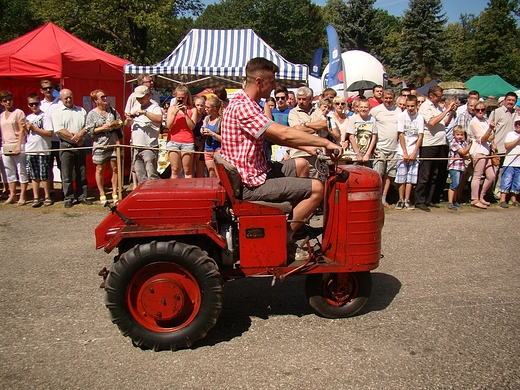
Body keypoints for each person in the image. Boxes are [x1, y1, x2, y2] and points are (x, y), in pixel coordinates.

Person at [219, 57, 340, 244]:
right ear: (259, 82)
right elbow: (282, 133)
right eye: (272, 81)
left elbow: (271, 136)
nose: (275, 87)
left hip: (256, 172)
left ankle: (297, 223)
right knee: (318, 188)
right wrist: (326, 143)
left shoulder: (245, 103)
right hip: (250, 184)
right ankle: (285, 237)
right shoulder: (244, 107)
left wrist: (310, 148)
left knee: (301, 164)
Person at [415, 86, 455, 212]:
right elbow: (432, 122)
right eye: (438, 96)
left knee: (434, 173)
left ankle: (429, 199)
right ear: (431, 95)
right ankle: (419, 200)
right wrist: (446, 110)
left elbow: (445, 123)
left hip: (440, 143)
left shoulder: (438, 107)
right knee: (425, 174)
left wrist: (451, 112)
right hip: (429, 144)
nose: (440, 98)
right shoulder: (425, 106)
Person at [52, 89, 91, 208]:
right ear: (61, 99)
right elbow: (59, 130)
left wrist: (80, 136)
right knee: (66, 173)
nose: (68, 100)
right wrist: (75, 137)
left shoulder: (81, 110)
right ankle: (68, 197)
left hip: (80, 144)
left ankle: (82, 196)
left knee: (82, 172)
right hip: (66, 145)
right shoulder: (57, 112)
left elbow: (86, 126)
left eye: (70, 97)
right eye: (65, 98)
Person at [85, 89, 123, 205]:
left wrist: (115, 125)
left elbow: (120, 122)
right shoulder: (91, 114)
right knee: (100, 169)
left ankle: (114, 192)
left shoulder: (112, 111)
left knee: (114, 168)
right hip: (100, 144)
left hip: (113, 142)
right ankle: (102, 193)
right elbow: (89, 131)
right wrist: (102, 128)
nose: (105, 98)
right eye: (102, 97)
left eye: (105, 96)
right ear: (96, 100)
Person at [125, 74, 160, 188]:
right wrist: (128, 119)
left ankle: (153, 195)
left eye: (141, 97)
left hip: (149, 146)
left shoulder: (154, 106)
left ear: (148, 95)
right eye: (138, 98)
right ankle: (142, 194)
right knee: (140, 174)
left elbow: (159, 119)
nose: (139, 100)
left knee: (151, 175)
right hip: (136, 146)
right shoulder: (135, 106)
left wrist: (144, 112)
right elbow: (126, 124)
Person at [288, 86, 330, 178]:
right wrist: (316, 127)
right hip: (300, 153)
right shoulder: (293, 112)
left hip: (317, 154)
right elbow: (297, 130)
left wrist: (306, 124)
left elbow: (323, 124)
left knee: (317, 184)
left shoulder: (317, 111)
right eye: (299, 99)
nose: (301, 101)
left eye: (304, 99)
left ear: (310, 99)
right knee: (302, 185)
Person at [370, 88, 400, 208]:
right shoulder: (376, 111)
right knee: (378, 174)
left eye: (390, 98)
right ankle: (375, 199)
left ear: (394, 98)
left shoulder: (399, 110)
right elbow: (370, 128)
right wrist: (372, 147)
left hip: (394, 148)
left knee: (389, 175)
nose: (388, 100)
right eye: (386, 98)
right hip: (380, 147)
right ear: (382, 98)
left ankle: (383, 199)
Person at [24, 94, 53, 207]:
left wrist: (34, 128)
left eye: (36, 103)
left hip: (43, 149)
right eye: (31, 104)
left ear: (39, 104)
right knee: (34, 174)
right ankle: (36, 197)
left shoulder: (45, 116)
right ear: (28, 105)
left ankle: (47, 196)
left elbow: (49, 133)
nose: (34, 106)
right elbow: (27, 134)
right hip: (31, 149)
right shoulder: (28, 117)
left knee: (44, 175)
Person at [0, 90, 29, 205]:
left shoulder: (19, 112)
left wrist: (18, 145)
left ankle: (23, 195)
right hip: (6, 145)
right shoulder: (1, 115)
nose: (8, 102)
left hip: (18, 144)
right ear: (2, 103)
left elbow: (22, 130)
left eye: (9, 100)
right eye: (5, 101)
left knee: (21, 170)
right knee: (9, 171)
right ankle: (12, 194)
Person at [166, 84, 201, 178]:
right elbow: (168, 125)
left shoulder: (193, 109)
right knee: (175, 169)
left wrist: (186, 114)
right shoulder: (171, 109)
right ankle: (175, 191)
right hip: (173, 141)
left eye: (183, 98)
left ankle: (188, 191)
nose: (181, 100)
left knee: (187, 170)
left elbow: (192, 127)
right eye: (179, 98)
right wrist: (174, 113)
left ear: (187, 97)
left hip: (187, 142)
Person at [395, 95, 424, 210]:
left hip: (414, 151)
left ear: (416, 105)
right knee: (401, 176)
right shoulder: (402, 116)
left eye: (412, 106)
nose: (410, 108)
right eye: (408, 106)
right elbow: (401, 134)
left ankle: (407, 199)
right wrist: (405, 152)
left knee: (411, 178)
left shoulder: (420, 118)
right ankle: (400, 199)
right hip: (403, 150)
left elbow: (420, 136)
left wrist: (414, 152)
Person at [468, 101, 496, 209]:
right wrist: (489, 130)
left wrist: (489, 134)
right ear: (474, 111)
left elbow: (492, 137)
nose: (480, 112)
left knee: (491, 176)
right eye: (478, 110)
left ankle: (481, 196)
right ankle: (474, 199)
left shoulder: (485, 120)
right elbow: (484, 139)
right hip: (478, 151)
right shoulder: (474, 122)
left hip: (486, 150)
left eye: (482, 109)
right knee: (478, 175)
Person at [489, 91, 517, 197]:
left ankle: (499, 192)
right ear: (504, 100)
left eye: (513, 100)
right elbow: (490, 129)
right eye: (509, 100)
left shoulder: (515, 114)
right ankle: (489, 192)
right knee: (494, 171)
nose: (510, 102)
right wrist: (492, 143)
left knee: (504, 172)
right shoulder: (497, 112)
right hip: (498, 146)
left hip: (510, 149)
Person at [39, 79, 61, 200]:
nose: (48, 90)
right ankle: (51, 190)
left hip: (59, 140)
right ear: (41, 90)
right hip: (46, 141)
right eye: (45, 88)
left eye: (50, 87)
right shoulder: (40, 105)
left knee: (62, 166)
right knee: (48, 167)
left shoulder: (59, 103)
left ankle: (65, 190)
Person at [447, 125, 472, 210]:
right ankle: (450, 202)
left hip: (461, 166)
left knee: (458, 185)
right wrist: (471, 144)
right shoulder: (454, 143)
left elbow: (465, 155)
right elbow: (463, 152)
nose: (460, 137)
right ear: (454, 134)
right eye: (458, 135)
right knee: (454, 184)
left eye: (461, 135)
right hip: (454, 167)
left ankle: (455, 200)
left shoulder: (463, 143)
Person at [346, 98, 377, 166]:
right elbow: (351, 137)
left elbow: (373, 138)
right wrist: (357, 154)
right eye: (361, 107)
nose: (363, 109)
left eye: (365, 107)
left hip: (367, 154)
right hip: (354, 155)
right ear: (358, 108)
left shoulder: (372, 119)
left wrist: (368, 154)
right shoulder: (353, 119)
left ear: (369, 108)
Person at [498, 116, 520, 207]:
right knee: (506, 180)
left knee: (517, 182)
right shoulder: (511, 134)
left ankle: (513, 198)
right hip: (510, 162)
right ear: (515, 125)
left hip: (519, 163)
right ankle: (503, 199)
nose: (519, 126)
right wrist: (518, 138)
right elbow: (507, 146)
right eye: (517, 124)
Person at [201, 96, 222, 178]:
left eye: (207, 107)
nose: (205, 109)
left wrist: (212, 133)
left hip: (218, 149)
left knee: (219, 174)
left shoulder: (221, 120)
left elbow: (224, 139)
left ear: (214, 108)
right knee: (211, 173)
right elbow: (202, 129)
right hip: (208, 148)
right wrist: (202, 131)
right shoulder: (207, 118)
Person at [192, 96, 207, 178]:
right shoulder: (190, 115)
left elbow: (205, 135)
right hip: (190, 142)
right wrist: (194, 141)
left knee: (200, 172)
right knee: (190, 171)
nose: (200, 107)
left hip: (201, 144)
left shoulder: (205, 118)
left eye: (202, 105)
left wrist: (200, 147)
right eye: (197, 105)